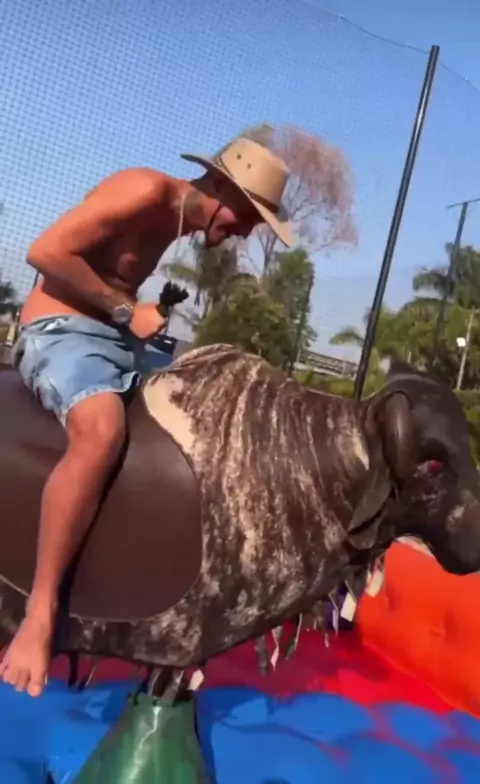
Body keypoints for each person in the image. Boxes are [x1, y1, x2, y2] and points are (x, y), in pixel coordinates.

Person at [0, 137, 293, 696]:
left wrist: (139, 313)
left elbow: (113, 284)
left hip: (112, 342)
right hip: (57, 334)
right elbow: (46, 251)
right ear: (221, 187)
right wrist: (122, 309)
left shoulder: (175, 224)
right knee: (102, 432)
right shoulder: (144, 190)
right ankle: (39, 611)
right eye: (248, 218)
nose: (247, 232)